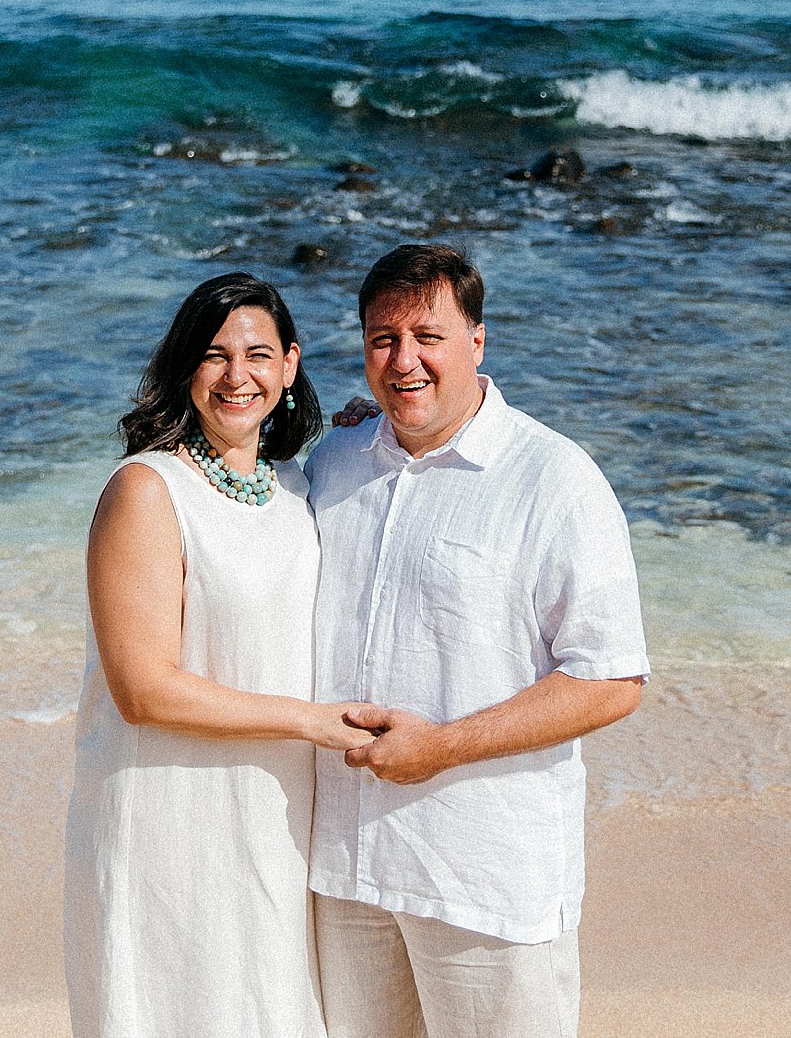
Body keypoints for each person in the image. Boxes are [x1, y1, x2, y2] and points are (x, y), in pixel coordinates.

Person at [307, 244, 649, 1038]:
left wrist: (445, 745)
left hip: (484, 879)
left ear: (477, 342)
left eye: (428, 334)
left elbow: (610, 678)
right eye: (382, 338)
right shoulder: (335, 460)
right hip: (344, 871)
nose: (404, 360)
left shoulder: (554, 479)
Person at [62, 272, 373, 1038]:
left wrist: (370, 435)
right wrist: (313, 722)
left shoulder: (300, 484)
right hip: (166, 810)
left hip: (273, 805)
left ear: (291, 364)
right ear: (184, 367)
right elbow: (143, 691)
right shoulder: (146, 489)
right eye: (214, 355)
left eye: (259, 354)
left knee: (268, 1007)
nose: (239, 376)